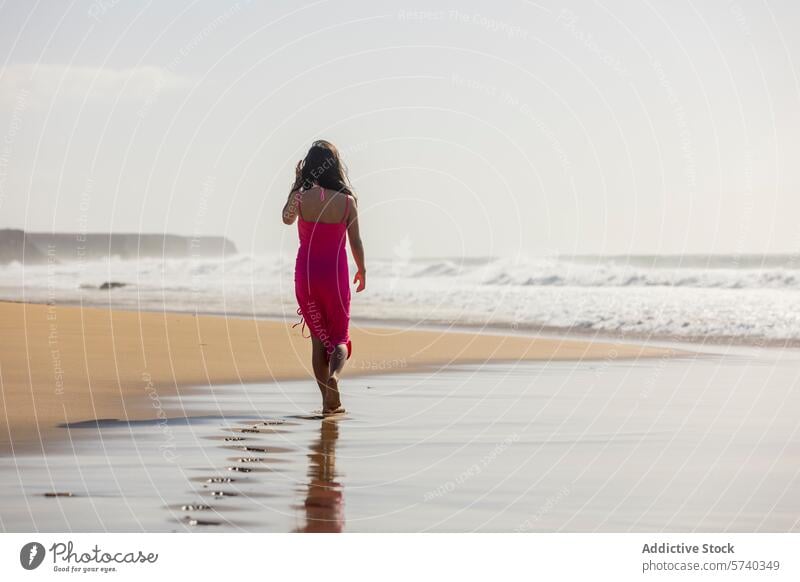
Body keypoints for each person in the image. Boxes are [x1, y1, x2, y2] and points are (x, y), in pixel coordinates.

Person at [282, 140, 366, 414]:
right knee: (340, 337)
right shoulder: (347, 202)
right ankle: (335, 377)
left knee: (319, 338)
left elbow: (286, 218)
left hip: (306, 275)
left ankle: (326, 400)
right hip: (335, 275)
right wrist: (361, 270)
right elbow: (356, 242)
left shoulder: (300, 198)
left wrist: (297, 185)